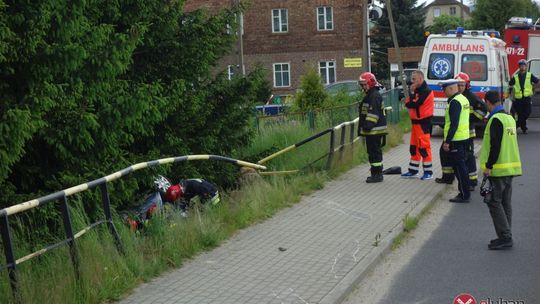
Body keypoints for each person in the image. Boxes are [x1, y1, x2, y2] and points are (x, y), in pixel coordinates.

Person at [480, 91, 522, 250]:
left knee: (493, 201)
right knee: (505, 203)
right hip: (510, 168)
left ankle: (505, 237)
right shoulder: (509, 118)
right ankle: (506, 234)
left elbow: (495, 146)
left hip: (498, 169)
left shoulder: (496, 119)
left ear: (488, 103)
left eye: (486, 105)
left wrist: (489, 166)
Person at [438, 79, 470, 203]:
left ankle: (464, 194)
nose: (443, 92)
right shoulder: (463, 99)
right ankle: (464, 192)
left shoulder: (455, 102)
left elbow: (454, 124)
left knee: (459, 167)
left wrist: (447, 141)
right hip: (464, 137)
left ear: (451, 88)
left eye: (444, 89)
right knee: (461, 166)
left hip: (456, 139)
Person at [400, 70, 435, 180]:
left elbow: (414, 104)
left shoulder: (426, 91)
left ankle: (428, 172)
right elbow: (411, 102)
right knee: (414, 148)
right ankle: (413, 171)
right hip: (415, 124)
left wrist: (408, 100)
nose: (412, 81)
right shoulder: (417, 90)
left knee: (424, 148)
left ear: (420, 79)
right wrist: (410, 97)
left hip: (423, 123)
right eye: (412, 79)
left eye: (414, 79)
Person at [456, 72, 487, 190]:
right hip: (459, 133)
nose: (459, 87)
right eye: (458, 85)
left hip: (468, 132)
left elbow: (483, 109)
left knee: (468, 156)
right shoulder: (456, 97)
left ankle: (472, 181)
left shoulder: (471, 97)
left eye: (462, 85)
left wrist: (471, 118)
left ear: (467, 85)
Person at [358, 72, 388, 183]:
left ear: (370, 83)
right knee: (373, 152)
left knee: (374, 153)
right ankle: (375, 172)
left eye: (365, 84)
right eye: (362, 85)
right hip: (372, 131)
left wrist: (367, 126)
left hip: (373, 131)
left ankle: (377, 174)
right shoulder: (372, 95)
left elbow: (373, 114)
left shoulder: (374, 96)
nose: (363, 87)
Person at [508, 59, 539, 134]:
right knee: (520, 114)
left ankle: (515, 126)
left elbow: (538, 82)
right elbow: (509, 84)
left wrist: (534, 87)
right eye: (521, 66)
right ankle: (524, 128)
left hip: (527, 98)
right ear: (519, 67)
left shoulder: (529, 75)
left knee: (527, 113)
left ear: (526, 67)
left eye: (523, 66)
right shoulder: (515, 77)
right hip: (518, 99)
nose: (522, 67)